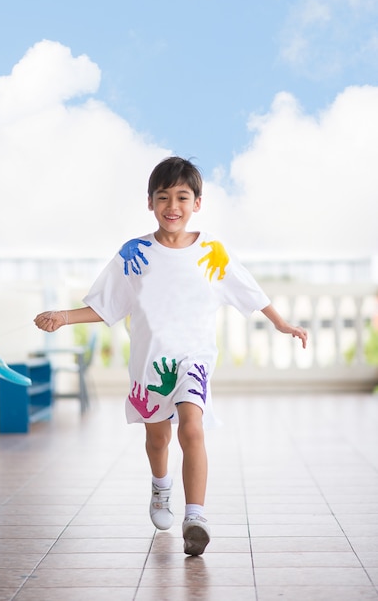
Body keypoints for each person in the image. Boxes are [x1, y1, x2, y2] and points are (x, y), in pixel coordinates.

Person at [34, 156, 307, 556]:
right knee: (158, 438)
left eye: (182, 197)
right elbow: (109, 305)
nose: (172, 206)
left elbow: (250, 291)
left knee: (192, 427)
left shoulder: (212, 252)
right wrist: (63, 316)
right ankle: (161, 488)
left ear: (197, 203)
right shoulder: (134, 254)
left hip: (194, 357)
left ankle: (195, 516)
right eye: (163, 197)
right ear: (150, 203)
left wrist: (281, 323)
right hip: (151, 361)